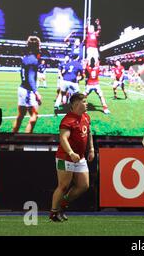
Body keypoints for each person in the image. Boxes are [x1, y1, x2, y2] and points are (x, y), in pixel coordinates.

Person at [50, 93, 94, 222]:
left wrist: (91, 149)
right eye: (84, 102)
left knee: (83, 186)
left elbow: (89, 132)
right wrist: (70, 153)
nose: (87, 104)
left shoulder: (86, 117)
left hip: (80, 158)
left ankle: (62, 204)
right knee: (63, 186)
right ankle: (53, 213)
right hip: (65, 157)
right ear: (76, 104)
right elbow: (63, 138)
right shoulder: (68, 120)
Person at [12, 36, 42, 133]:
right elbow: (30, 78)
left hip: (21, 88)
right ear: (36, 46)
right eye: (39, 44)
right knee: (34, 115)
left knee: (20, 116)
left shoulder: (25, 58)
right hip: (28, 91)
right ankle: (25, 139)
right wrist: (36, 92)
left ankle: (11, 138)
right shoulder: (33, 60)